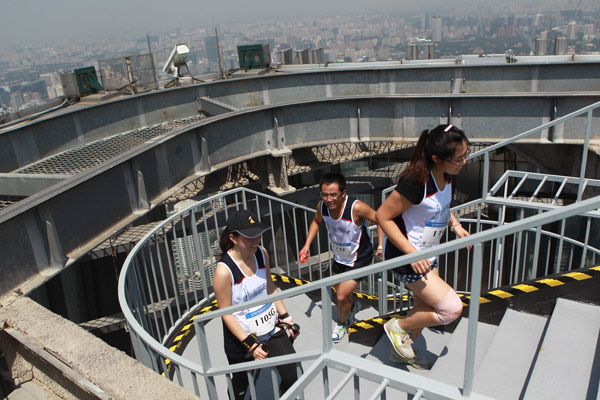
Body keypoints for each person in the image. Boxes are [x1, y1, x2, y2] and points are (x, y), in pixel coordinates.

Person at [376, 124, 471, 370]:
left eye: (465, 155)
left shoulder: (448, 175)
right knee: (451, 310)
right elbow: (382, 216)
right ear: (438, 158)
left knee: (425, 306)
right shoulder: (416, 181)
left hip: (429, 251)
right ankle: (397, 327)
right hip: (407, 255)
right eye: (459, 159)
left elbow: (441, 207)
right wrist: (411, 253)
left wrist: (455, 224)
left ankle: (402, 351)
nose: (463, 162)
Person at [213, 209, 299, 399]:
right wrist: (249, 344)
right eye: (249, 237)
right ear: (233, 238)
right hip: (242, 338)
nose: (256, 240)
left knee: (293, 373)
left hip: (269, 327)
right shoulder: (224, 271)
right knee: (242, 387)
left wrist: (286, 317)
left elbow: (270, 287)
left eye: (258, 234)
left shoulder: (261, 253)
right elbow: (226, 313)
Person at [299, 172, 382, 343]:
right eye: (325, 195)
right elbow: (316, 221)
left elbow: (381, 220)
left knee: (341, 296)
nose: (329, 199)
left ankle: (342, 323)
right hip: (339, 257)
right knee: (339, 290)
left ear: (343, 194)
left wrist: (380, 245)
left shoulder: (356, 208)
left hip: (360, 258)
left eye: (333, 195)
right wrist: (307, 245)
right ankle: (353, 307)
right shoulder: (322, 207)